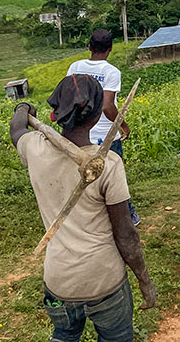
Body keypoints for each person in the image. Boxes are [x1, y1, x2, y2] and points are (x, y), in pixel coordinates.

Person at [9, 75, 156, 341]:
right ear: (98, 113)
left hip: (58, 284)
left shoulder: (33, 149)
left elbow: (16, 130)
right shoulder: (108, 164)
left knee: (64, 335)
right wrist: (145, 281)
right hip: (105, 284)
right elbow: (126, 236)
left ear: (56, 112)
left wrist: (24, 109)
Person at [67, 29, 138, 226]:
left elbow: (69, 96)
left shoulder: (75, 67)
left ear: (89, 47)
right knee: (114, 178)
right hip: (105, 137)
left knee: (82, 176)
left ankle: (86, 216)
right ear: (110, 49)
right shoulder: (110, 72)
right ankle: (128, 216)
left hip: (79, 134)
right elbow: (107, 106)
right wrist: (122, 125)